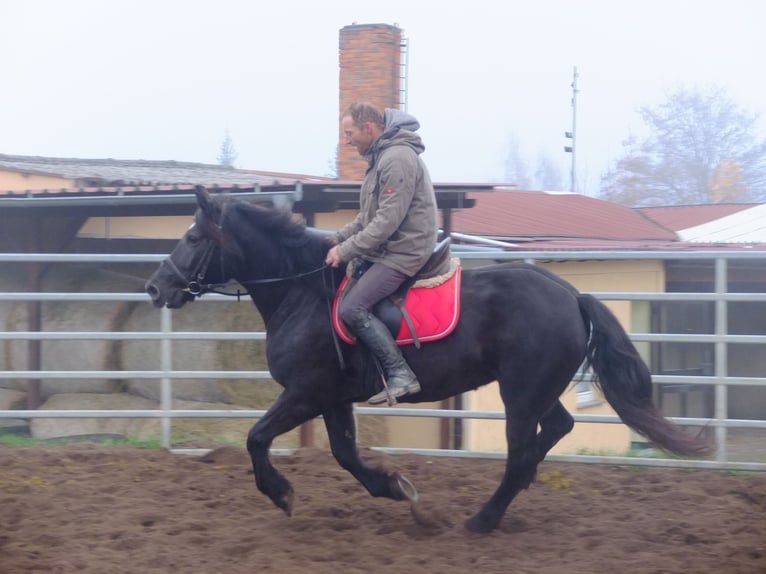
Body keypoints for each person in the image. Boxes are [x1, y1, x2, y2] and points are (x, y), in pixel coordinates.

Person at [325, 102, 439, 405]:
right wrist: (338, 238)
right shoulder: (382, 157)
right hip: (391, 246)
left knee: (352, 308)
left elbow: (387, 222)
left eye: (349, 134)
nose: (346, 141)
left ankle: (400, 373)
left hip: (404, 251)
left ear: (369, 128)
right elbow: (368, 217)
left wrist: (346, 250)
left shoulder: (397, 159)